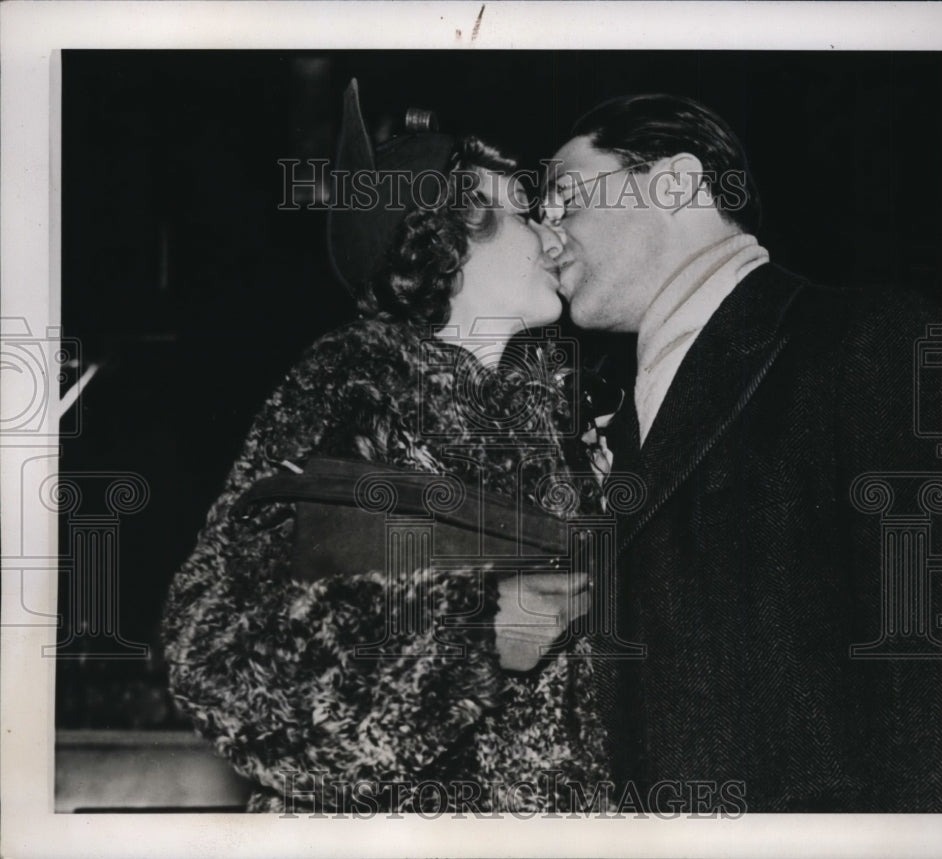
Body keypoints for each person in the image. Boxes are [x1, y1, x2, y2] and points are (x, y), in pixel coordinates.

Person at [162, 81, 613, 814]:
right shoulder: (357, 387)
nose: (553, 236)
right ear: (451, 238)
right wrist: (477, 637)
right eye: (527, 214)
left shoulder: (544, 420)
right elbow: (219, 655)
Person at [542, 93, 942, 812]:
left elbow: (924, 676)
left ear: (675, 182)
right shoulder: (608, 423)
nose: (545, 235)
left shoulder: (863, 340)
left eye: (564, 197)